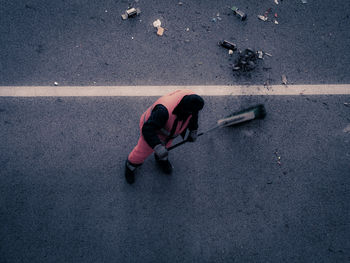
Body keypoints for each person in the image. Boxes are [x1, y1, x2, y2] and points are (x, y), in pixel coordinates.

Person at [125, 89, 205, 184]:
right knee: (142, 152)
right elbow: (147, 129)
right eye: (191, 112)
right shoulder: (163, 111)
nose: (193, 113)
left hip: (167, 133)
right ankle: (131, 165)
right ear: (185, 109)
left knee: (165, 148)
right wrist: (157, 146)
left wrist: (193, 129)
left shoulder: (191, 102)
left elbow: (193, 115)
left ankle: (161, 158)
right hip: (152, 130)